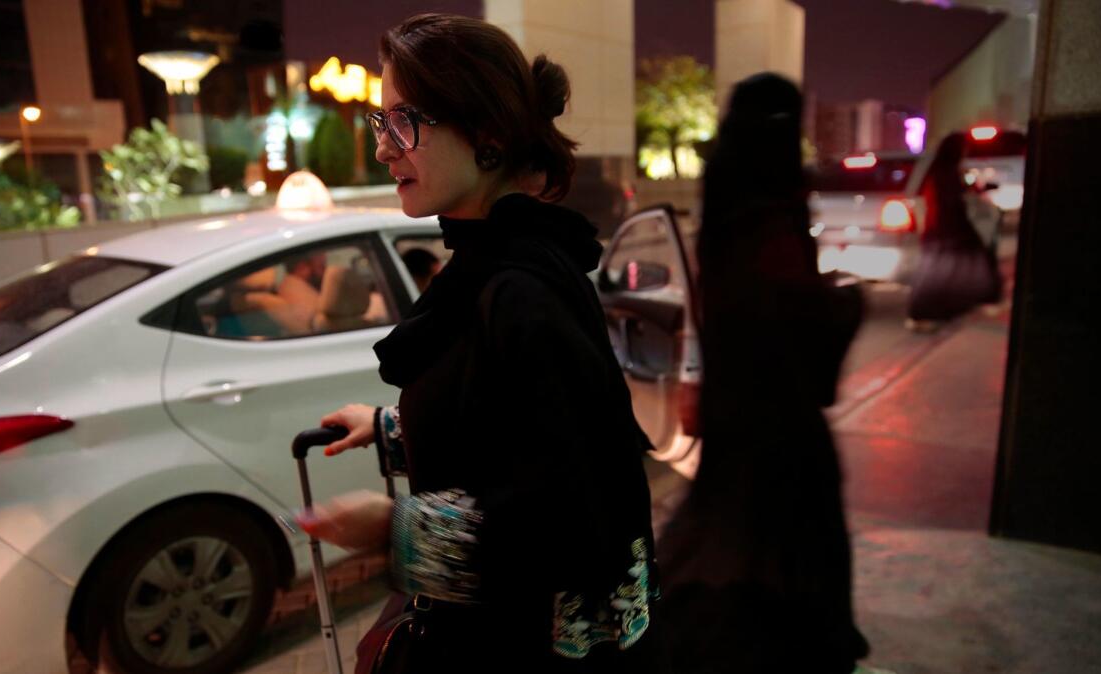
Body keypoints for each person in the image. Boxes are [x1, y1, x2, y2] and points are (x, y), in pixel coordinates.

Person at [299, 13, 663, 673]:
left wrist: (394, 530)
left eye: (405, 121)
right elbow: (511, 427)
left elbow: (575, 517)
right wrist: (390, 426)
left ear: (488, 134)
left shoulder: (522, 289)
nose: (385, 149)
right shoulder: (495, 266)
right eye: (382, 124)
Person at [655, 73, 870, 673]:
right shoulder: (773, 218)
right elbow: (796, 328)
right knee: (776, 576)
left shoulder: (724, 206)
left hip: (734, 421)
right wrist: (848, 300)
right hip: (782, 434)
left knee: (718, 546)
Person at [907, 131, 1002, 328]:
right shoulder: (945, 172)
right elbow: (950, 199)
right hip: (947, 227)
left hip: (941, 228)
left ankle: (930, 312)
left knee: (941, 270)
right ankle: (928, 312)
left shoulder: (939, 169)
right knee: (948, 269)